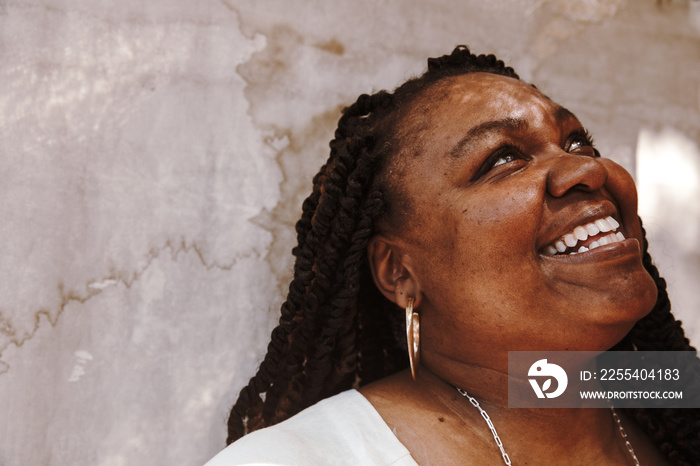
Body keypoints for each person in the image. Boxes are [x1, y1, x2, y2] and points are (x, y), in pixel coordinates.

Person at [206, 46, 699, 465]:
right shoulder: (302, 458)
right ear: (399, 273)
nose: (585, 170)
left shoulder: (675, 404)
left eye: (578, 142)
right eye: (502, 159)